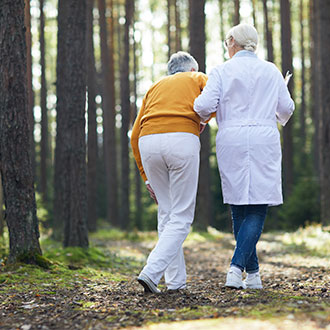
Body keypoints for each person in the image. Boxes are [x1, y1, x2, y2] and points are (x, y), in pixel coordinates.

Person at [194, 23, 295, 289]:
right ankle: (249, 273)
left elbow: (203, 106)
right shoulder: (271, 70)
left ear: (233, 42)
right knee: (258, 206)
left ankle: (243, 271)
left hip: (232, 138)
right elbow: (286, 109)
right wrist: (271, 110)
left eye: (227, 41)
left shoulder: (221, 71)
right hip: (264, 137)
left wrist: (203, 111)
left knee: (238, 205)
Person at [131, 51, 211, 293]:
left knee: (167, 215)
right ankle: (151, 272)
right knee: (182, 216)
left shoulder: (155, 87)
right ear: (191, 68)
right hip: (181, 139)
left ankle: (176, 283)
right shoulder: (197, 77)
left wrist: (145, 177)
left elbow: (134, 135)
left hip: (148, 143)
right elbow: (214, 102)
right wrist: (203, 122)